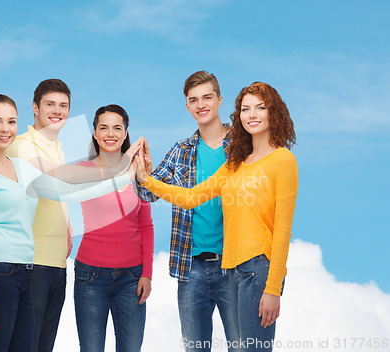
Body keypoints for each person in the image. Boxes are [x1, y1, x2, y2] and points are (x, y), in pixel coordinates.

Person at [0, 95, 139, 352]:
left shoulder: (23, 168)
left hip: (26, 272)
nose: (5, 128)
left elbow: (68, 191)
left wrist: (124, 175)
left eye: (11, 122)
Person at [136, 82, 298, 352]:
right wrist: (145, 179)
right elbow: (190, 198)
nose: (252, 114)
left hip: (258, 270)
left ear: (274, 113)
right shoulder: (235, 163)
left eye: (260, 107)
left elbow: (282, 230)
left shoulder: (283, 160)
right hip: (231, 272)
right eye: (246, 109)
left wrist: (273, 289)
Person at [136, 71, 239, 351]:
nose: (200, 104)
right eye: (193, 100)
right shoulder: (181, 151)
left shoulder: (242, 148)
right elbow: (146, 193)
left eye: (207, 97)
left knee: (242, 346)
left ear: (219, 100)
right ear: (187, 106)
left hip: (235, 265)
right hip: (191, 267)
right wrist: (144, 170)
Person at [74, 105, 154, 352]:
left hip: (131, 279)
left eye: (117, 128)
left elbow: (146, 226)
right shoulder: (83, 171)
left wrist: (147, 274)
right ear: (95, 134)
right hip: (90, 277)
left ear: (125, 132)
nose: (111, 133)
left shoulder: (138, 173)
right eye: (103, 128)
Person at [7, 79, 73, 352]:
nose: (57, 111)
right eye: (50, 104)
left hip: (57, 264)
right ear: (35, 108)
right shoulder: (21, 145)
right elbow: (49, 183)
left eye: (63, 106)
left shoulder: (60, 148)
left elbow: (60, 195)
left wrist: (68, 227)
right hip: (30, 264)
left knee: (44, 346)